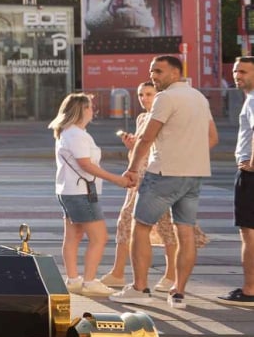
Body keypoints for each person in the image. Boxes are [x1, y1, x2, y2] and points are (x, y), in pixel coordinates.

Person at [113, 55, 216, 308]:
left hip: (164, 174)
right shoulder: (199, 97)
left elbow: (146, 138)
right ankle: (178, 292)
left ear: (175, 73)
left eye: (159, 71)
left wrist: (132, 168)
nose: (153, 76)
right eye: (151, 71)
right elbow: (212, 138)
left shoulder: (166, 98)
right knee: (185, 231)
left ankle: (140, 287)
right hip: (194, 174)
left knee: (141, 227)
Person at [48, 93, 126, 297]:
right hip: (81, 192)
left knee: (73, 236)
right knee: (99, 237)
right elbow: (86, 164)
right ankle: (90, 282)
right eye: (90, 107)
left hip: (68, 190)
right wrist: (116, 179)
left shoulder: (68, 132)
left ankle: (73, 280)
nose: (93, 111)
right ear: (81, 110)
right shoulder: (76, 134)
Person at [103, 81, 179, 289]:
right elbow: (139, 152)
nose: (144, 98)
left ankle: (171, 274)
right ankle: (118, 272)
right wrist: (131, 147)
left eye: (149, 94)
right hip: (139, 178)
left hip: (157, 178)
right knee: (125, 222)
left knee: (165, 227)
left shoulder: (165, 117)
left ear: (158, 96)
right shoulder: (142, 118)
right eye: (140, 95)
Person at [219, 57, 254, 306]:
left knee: (249, 232)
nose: (237, 75)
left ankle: (250, 289)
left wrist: (252, 161)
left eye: (243, 71)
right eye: (234, 71)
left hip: (250, 173)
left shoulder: (253, 99)